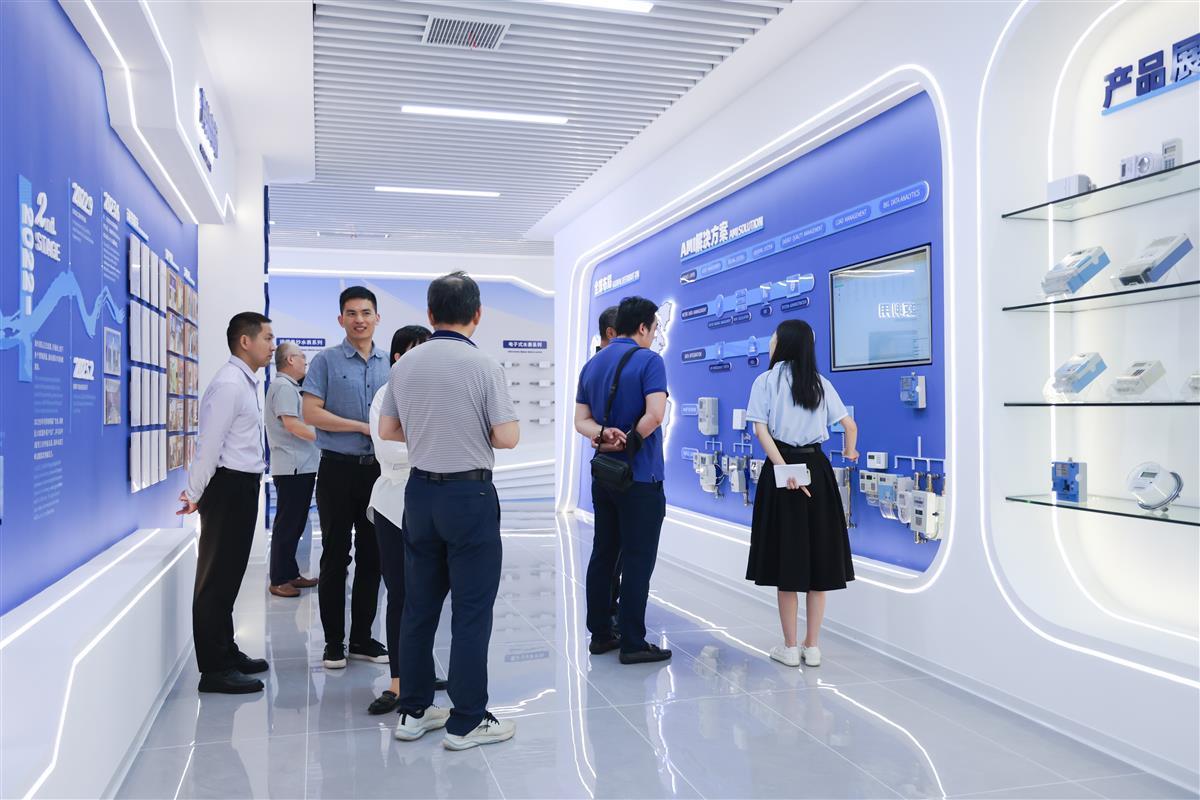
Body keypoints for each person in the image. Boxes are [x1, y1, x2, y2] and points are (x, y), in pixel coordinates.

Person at [379, 271, 520, 750]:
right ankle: (467, 720)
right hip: (468, 496)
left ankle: (413, 711)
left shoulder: (405, 366)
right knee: (471, 610)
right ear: (477, 314)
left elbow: (388, 429)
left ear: (430, 313)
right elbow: (507, 437)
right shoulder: (483, 366)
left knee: (418, 607)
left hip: (419, 495)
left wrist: (429, 431)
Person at [744, 319, 858, 669]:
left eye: (773, 338)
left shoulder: (765, 381)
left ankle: (790, 647)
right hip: (818, 471)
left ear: (784, 343)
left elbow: (761, 432)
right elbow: (849, 425)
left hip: (782, 469)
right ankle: (813, 647)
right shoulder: (820, 383)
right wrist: (850, 452)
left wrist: (784, 470)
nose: (770, 343)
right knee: (819, 560)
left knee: (787, 560)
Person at [177, 312, 274, 694]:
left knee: (229, 576)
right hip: (227, 487)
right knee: (215, 579)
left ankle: (226, 651)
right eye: (267, 338)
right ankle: (214, 669)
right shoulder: (230, 384)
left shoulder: (245, 381)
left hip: (241, 486)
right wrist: (194, 493)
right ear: (245, 341)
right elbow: (209, 446)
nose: (272, 345)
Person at [574, 296, 671, 665]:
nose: (655, 335)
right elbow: (656, 415)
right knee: (637, 559)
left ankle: (600, 634)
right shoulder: (650, 361)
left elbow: (581, 421)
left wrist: (604, 435)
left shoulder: (593, 364)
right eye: (654, 328)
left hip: (604, 474)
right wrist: (629, 441)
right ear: (642, 327)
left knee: (604, 553)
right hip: (641, 477)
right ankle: (632, 641)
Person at [302, 286, 390, 669]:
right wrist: (361, 427)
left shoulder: (391, 365)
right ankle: (333, 643)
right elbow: (311, 413)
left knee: (374, 557)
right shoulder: (325, 361)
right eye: (351, 313)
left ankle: (362, 639)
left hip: (379, 473)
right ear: (341, 319)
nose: (359, 320)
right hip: (337, 469)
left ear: (377, 318)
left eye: (366, 312)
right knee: (335, 557)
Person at [366, 324, 448, 715]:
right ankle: (398, 682)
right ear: (398, 358)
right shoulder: (385, 395)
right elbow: (388, 450)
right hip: (393, 506)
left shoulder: (438, 393)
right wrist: (432, 446)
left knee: (427, 593)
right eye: (417, 351)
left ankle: (421, 671)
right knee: (400, 592)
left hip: (431, 505)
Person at [264, 342, 319, 598]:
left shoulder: (289, 387)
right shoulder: (284, 387)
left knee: (295, 525)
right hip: (292, 466)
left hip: (300, 466)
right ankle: (278, 579)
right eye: (301, 356)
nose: (305, 361)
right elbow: (292, 425)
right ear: (289, 360)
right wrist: (324, 437)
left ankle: (290, 573)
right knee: (288, 525)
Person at [594, 305, 622, 629]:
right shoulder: (605, 367)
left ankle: (603, 622)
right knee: (614, 550)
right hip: (620, 468)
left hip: (603, 467)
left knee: (606, 549)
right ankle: (610, 616)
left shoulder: (592, 366)